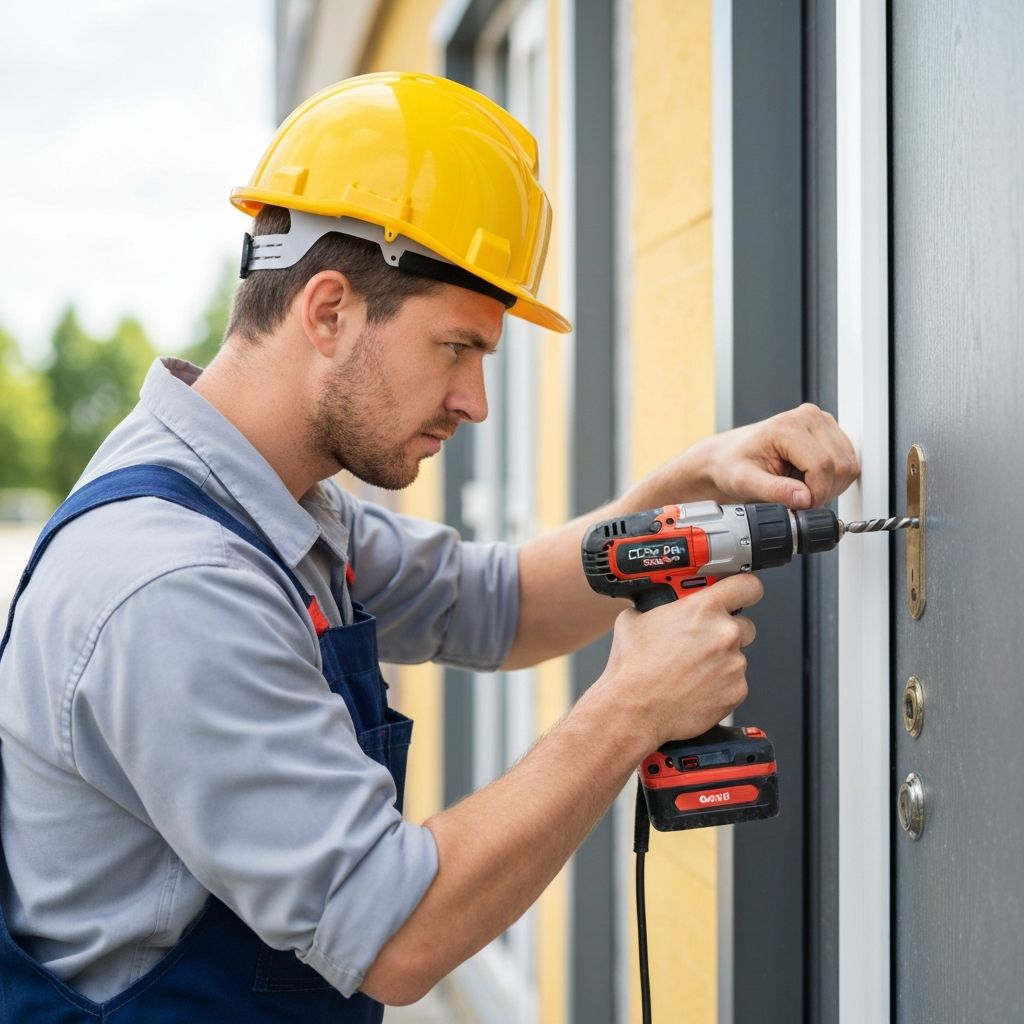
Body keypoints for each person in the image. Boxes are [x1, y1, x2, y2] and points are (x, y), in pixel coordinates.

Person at [0, 72, 858, 1021]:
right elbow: (393, 934)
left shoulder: (272, 505)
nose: (474, 403)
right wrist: (631, 710)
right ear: (328, 311)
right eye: (457, 348)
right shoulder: (175, 586)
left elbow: (496, 603)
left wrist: (687, 485)